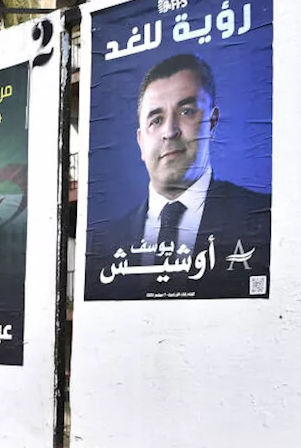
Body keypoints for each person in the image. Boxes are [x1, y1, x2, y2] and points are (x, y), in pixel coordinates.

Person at [87, 53, 271, 300]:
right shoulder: (101, 244)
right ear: (141, 141)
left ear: (212, 123)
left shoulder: (265, 218)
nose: (170, 131)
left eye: (186, 111)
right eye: (156, 119)